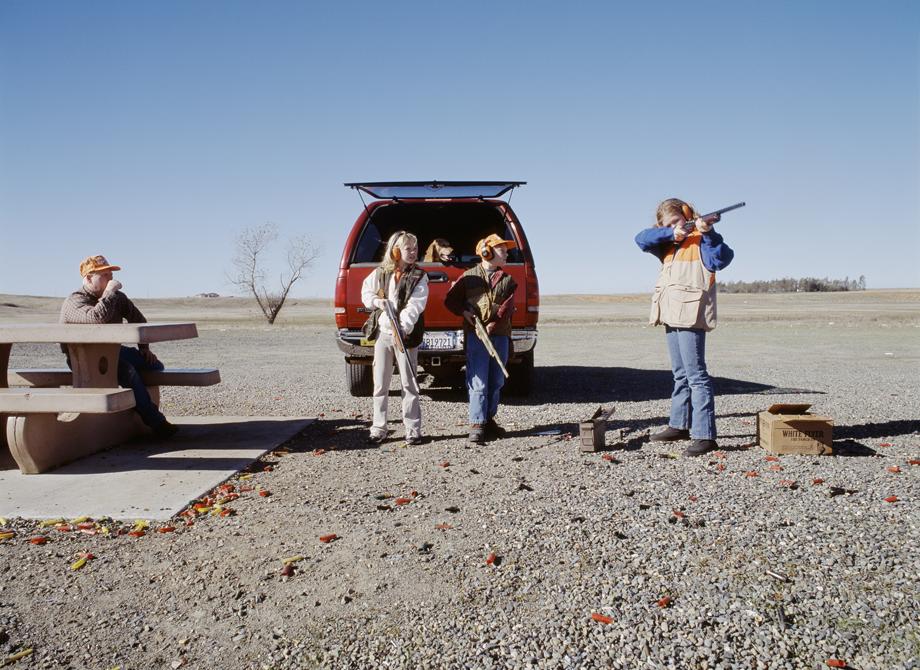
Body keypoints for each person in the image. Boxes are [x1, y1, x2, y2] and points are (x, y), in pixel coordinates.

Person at [635, 199, 734, 456]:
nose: (672, 227)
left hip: (690, 316)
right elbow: (641, 239)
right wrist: (673, 232)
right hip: (671, 314)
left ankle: (705, 436)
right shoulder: (670, 244)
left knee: (697, 376)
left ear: (687, 215)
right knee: (680, 375)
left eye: (675, 221)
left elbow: (722, 258)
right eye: (666, 225)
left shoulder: (703, 240)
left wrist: (707, 231)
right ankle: (679, 425)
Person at [59, 255, 178, 438]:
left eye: (110, 275)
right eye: (104, 275)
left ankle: (136, 406)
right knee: (128, 371)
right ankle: (156, 422)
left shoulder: (117, 298)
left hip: (112, 352)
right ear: (89, 278)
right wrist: (109, 294)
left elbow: (139, 320)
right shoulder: (74, 301)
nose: (110, 280)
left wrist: (144, 349)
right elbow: (96, 318)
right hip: (84, 360)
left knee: (154, 366)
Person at [445, 233, 518, 444]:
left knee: (496, 380)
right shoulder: (468, 277)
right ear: (487, 252)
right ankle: (476, 424)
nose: (506, 253)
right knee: (478, 382)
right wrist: (465, 313)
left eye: (505, 250)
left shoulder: (508, 280)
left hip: (500, 335)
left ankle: (488, 419)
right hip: (476, 336)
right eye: (502, 250)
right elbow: (450, 301)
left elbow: (507, 307)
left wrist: (493, 324)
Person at [361, 231, 429, 445]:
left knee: (409, 384)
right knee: (380, 384)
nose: (413, 252)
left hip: (405, 336)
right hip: (383, 335)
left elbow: (415, 306)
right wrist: (378, 303)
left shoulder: (420, 276)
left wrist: (403, 327)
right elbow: (366, 293)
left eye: (415, 248)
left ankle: (412, 430)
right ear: (396, 251)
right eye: (408, 248)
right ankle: (379, 428)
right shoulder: (380, 272)